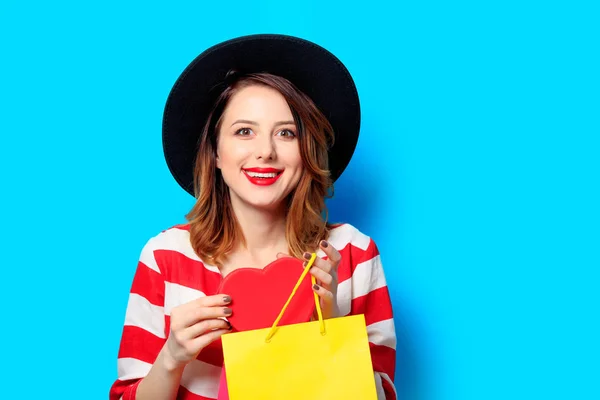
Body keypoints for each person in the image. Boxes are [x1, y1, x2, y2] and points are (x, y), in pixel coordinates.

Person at [109, 34, 397, 400]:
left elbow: (382, 394)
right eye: (244, 131)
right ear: (215, 151)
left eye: (287, 133)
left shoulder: (351, 255)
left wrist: (328, 328)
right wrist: (172, 357)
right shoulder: (165, 256)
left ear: (307, 150)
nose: (265, 152)